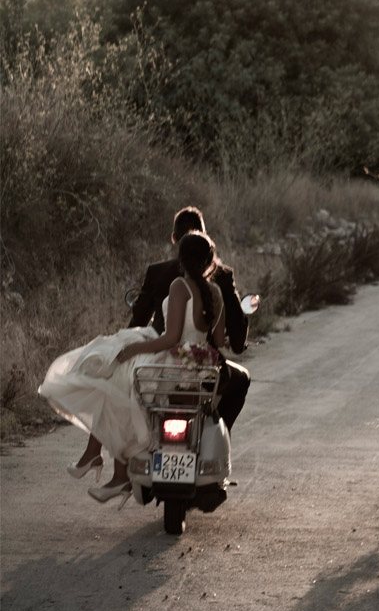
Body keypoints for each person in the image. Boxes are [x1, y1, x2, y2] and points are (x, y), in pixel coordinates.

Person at [39, 232, 228, 507]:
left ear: (181, 260)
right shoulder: (215, 292)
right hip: (199, 367)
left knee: (116, 371)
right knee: (120, 380)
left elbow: (172, 338)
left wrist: (134, 350)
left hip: (174, 362)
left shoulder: (180, 286)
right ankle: (106, 464)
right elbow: (220, 341)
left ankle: (107, 463)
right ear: (209, 261)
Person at [129, 206, 250, 433]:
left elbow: (137, 325)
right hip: (206, 369)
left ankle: (110, 456)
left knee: (126, 390)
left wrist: (132, 348)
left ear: (175, 240)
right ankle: (215, 431)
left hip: (167, 363)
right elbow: (231, 341)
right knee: (241, 380)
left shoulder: (158, 274)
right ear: (208, 254)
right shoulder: (219, 281)